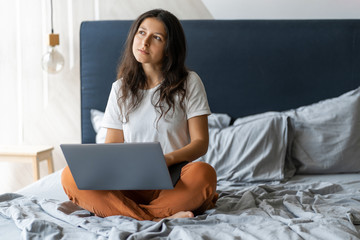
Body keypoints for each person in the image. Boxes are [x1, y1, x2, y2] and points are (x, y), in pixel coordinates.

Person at [61, 9, 218, 221]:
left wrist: (167, 159)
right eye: (141, 33)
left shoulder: (189, 82)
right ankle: (157, 217)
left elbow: (200, 143)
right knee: (70, 176)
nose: (144, 43)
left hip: (173, 181)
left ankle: (130, 214)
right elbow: (113, 146)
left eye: (157, 38)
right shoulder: (120, 88)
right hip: (128, 184)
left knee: (204, 174)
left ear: (169, 49)